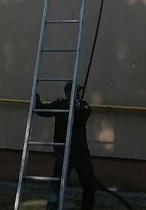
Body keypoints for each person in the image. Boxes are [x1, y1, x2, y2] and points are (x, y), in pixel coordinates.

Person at [35, 82, 98, 210]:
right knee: (57, 185)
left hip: (81, 154)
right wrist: (35, 98)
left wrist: (77, 108)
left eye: (79, 92)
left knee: (90, 185)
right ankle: (51, 208)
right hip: (64, 152)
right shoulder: (60, 105)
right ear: (67, 93)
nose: (78, 95)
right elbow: (42, 110)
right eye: (75, 92)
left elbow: (84, 114)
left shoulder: (83, 106)